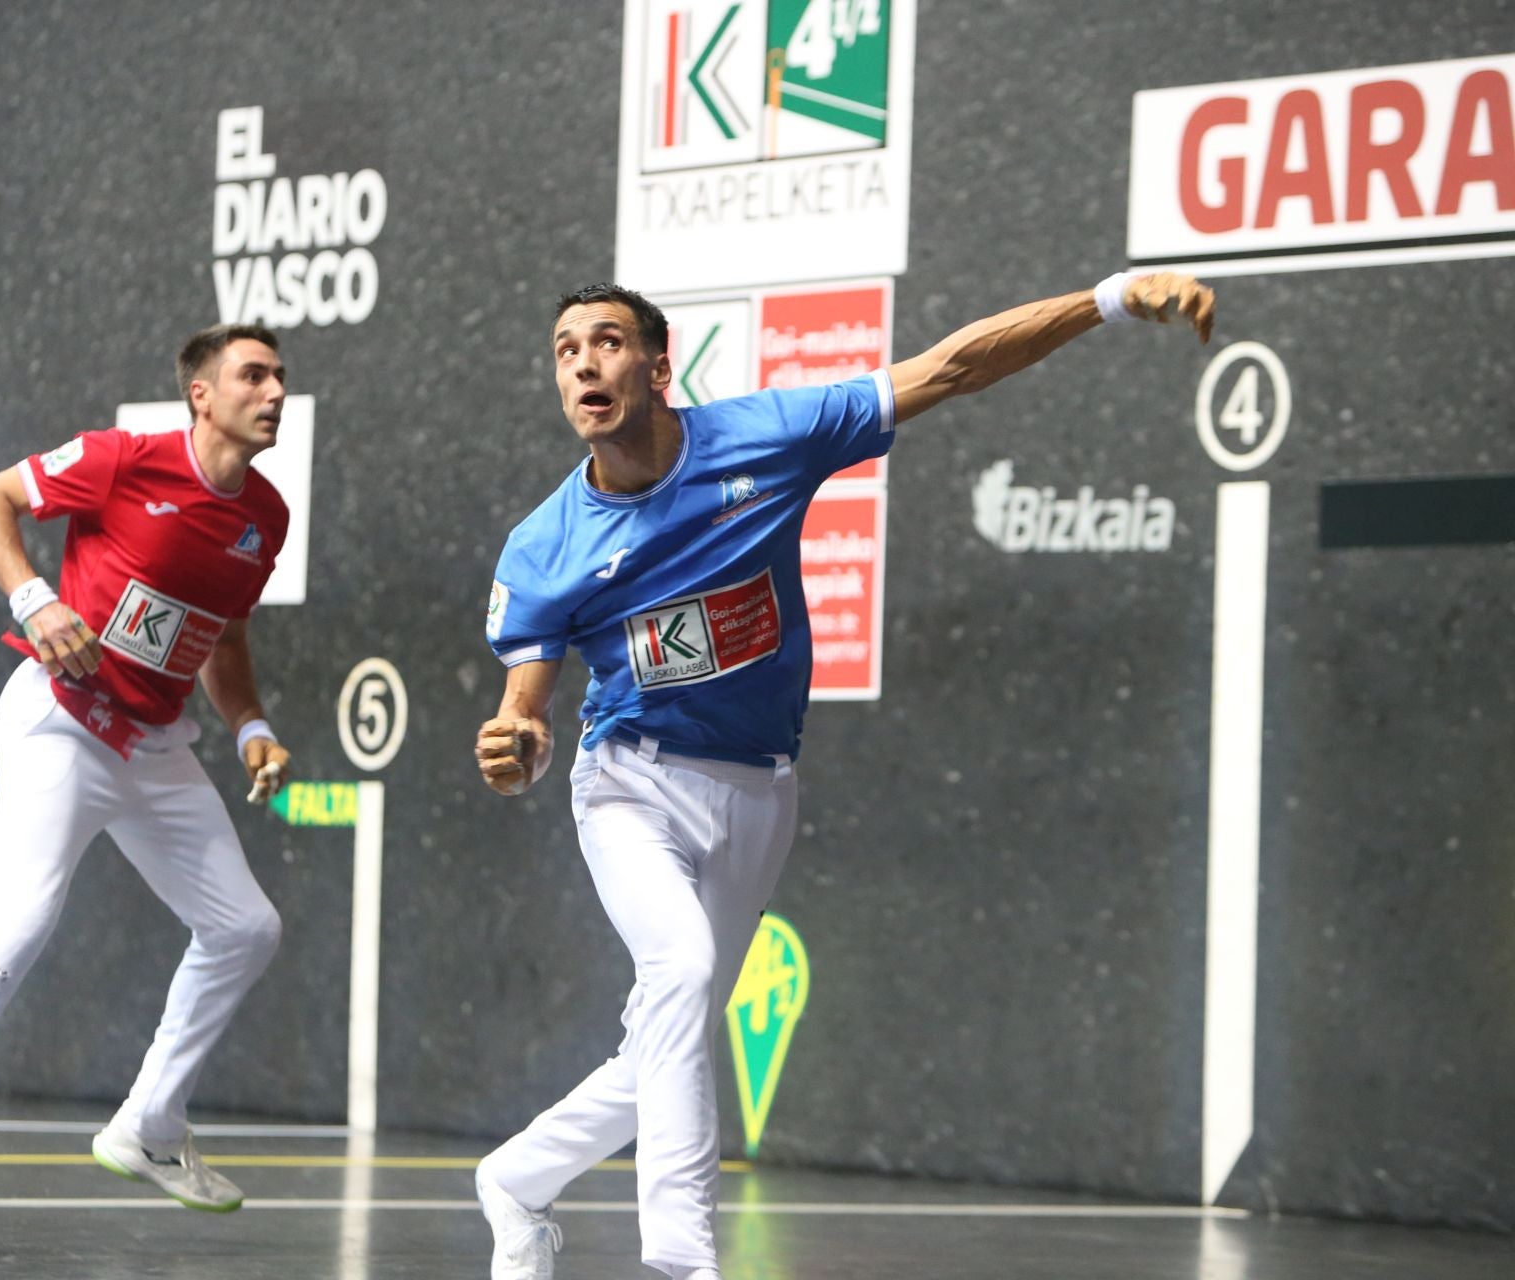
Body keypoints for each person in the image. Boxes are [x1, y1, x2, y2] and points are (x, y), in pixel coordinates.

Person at [472, 272, 1217, 1279]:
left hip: (760, 787)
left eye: (605, 343)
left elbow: (952, 366)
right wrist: (516, 748)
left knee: (672, 1020)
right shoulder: (543, 544)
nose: (583, 364)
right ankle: (684, 1261)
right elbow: (525, 716)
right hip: (628, 782)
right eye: (565, 350)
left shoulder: (766, 437)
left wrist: (1114, 298)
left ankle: (520, 1174)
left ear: (656, 366)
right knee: (682, 974)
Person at [0, 323, 298, 1246]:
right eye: (254, 375)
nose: (276, 390)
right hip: (61, 719)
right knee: (17, 918)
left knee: (246, 928)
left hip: (157, 746)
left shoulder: (268, 517)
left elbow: (226, 634)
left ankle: (151, 1128)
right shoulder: (120, 460)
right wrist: (33, 598)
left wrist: (249, 725)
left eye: (282, 376)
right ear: (202, 395)